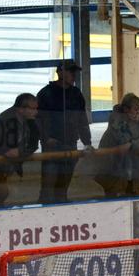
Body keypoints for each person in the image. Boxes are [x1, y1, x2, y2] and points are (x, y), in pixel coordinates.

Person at [36, 60, 92, 204]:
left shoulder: (76, 94)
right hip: (52, 146)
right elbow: (37, 120)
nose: (74, 75)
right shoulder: (46, 94)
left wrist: (87, 143)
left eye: (75, 72)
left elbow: (82, 120)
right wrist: (45, 138)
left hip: (70, 144)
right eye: (70, 72)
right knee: (49, 187)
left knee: (63, 187)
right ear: (60, 73)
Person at [0, 93, 39, 209]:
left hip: (2, 165)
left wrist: (20, 151)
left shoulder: (28, 121)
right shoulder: (5, 120)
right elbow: (1, 147)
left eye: (36, 109)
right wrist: (20, 151)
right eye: (32, 109)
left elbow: (33, 144)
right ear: (21, 109)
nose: (35, 112)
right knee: (0, 192)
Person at [96, 93, 139, 196]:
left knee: (132, 184)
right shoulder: (116, 118)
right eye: (135, 109)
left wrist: (132, 144)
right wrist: (132, 127)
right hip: (113, 158)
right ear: (126, 109)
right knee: (114, 187)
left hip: (131, 160)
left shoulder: (138, 117)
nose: (138, 112)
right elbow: (123, 140)